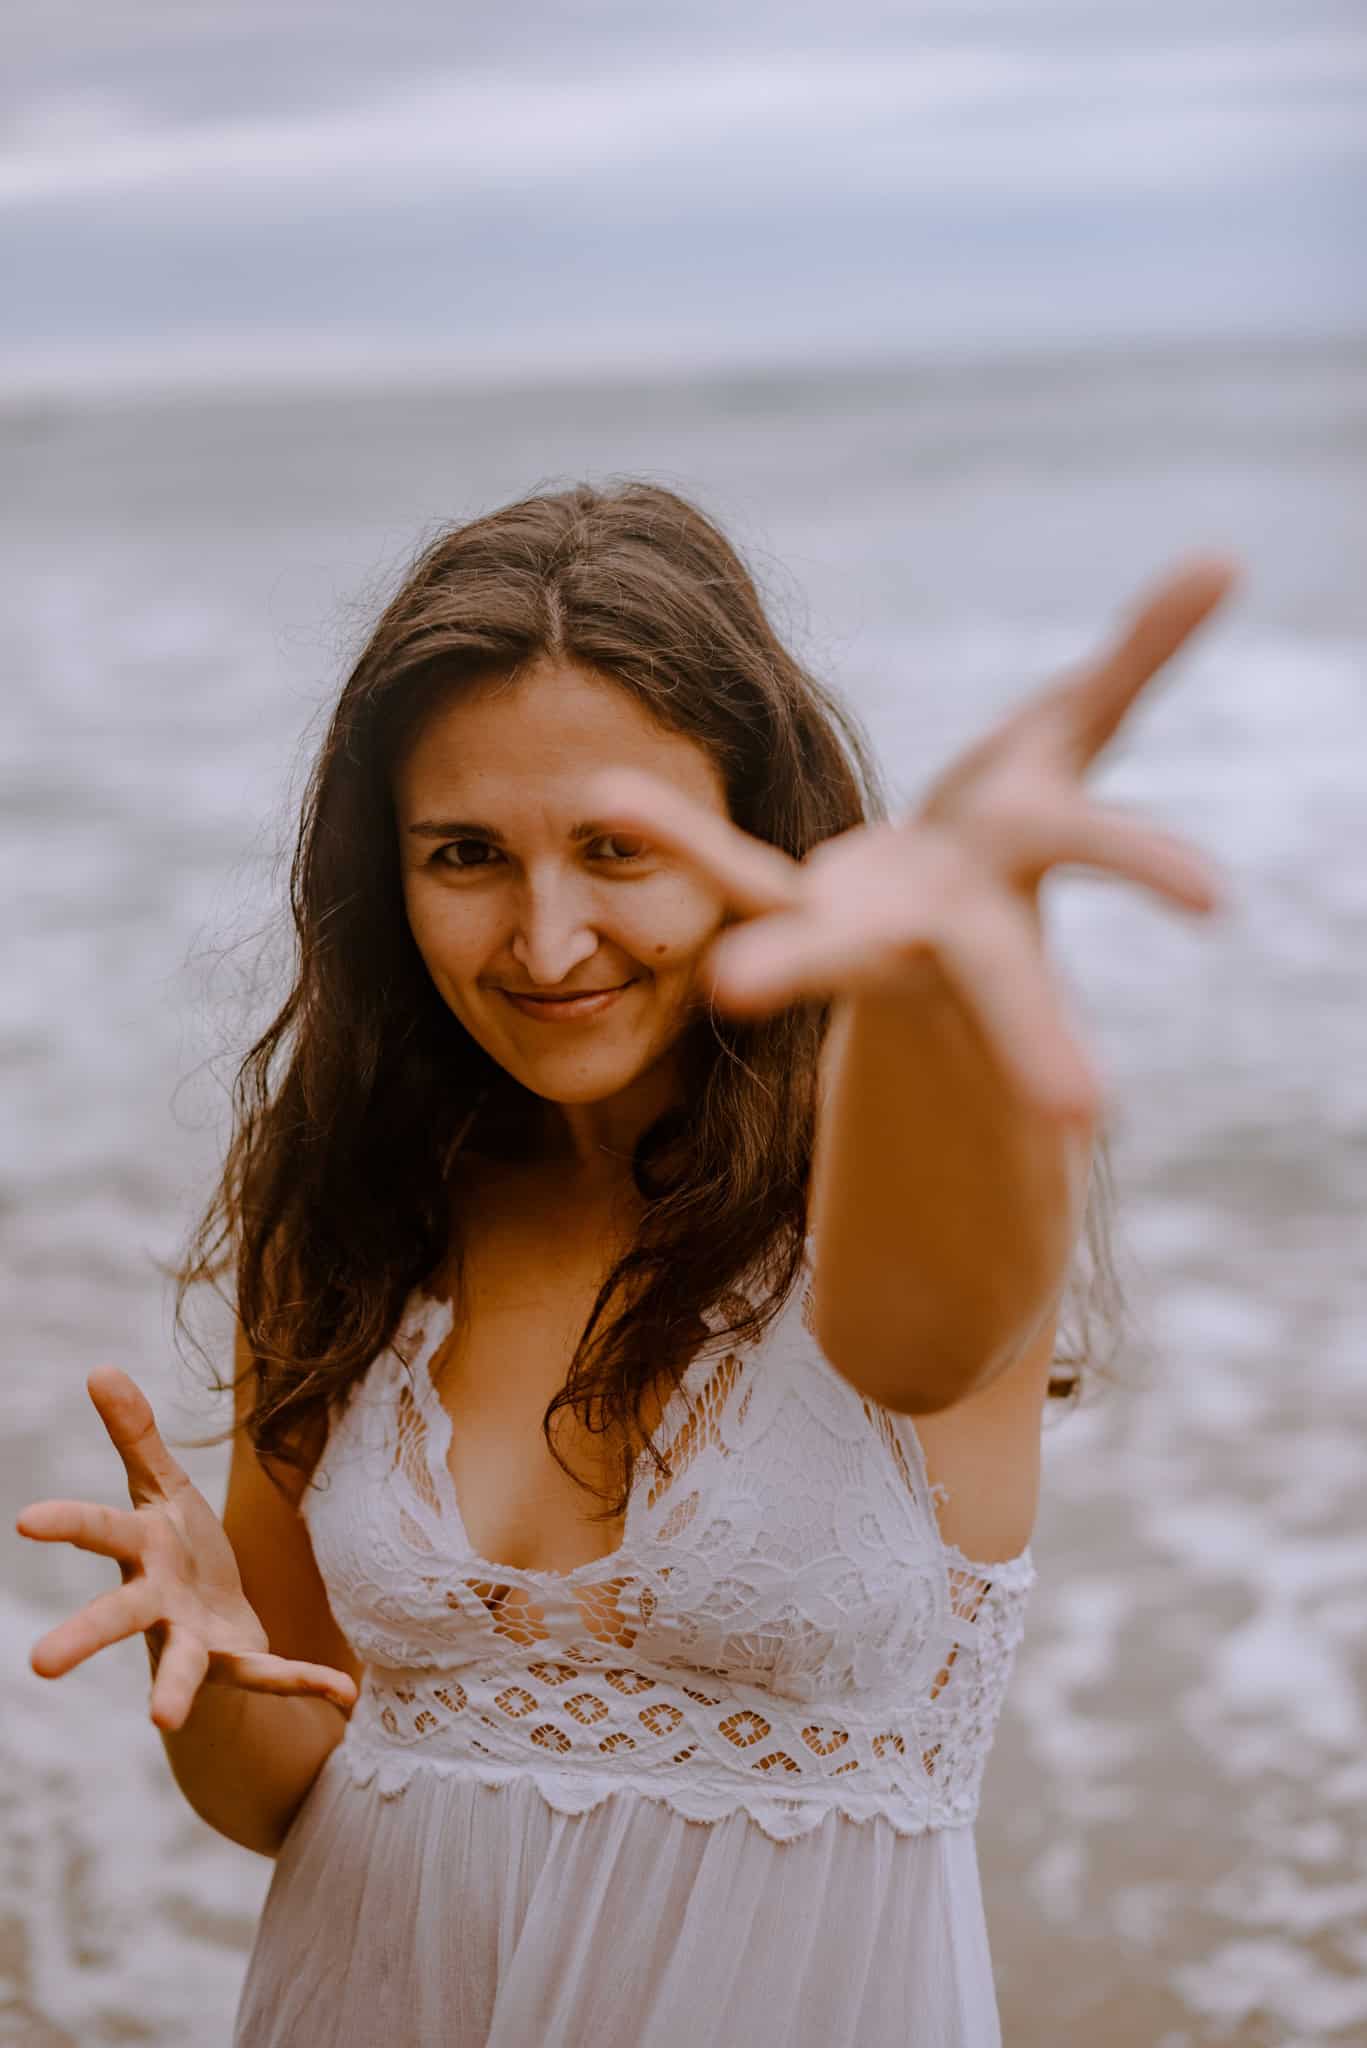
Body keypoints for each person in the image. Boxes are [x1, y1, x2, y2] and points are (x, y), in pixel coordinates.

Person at [15, 482, 1234, 2045]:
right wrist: (221, 1657)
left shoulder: (871, 1182)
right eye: (465, 854)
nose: (546, 938)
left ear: (761, 828)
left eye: (614, 847)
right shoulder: (358, 1210)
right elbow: (276, 1799)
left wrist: (935, 992)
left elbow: (930, 1333)